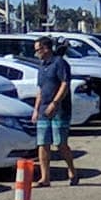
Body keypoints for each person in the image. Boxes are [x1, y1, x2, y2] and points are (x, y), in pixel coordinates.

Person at [30, 35, 77, 184]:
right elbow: (40, 89)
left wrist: (55, 103)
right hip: (43, 110)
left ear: (46, 49)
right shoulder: (42, 66)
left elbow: (65, 84)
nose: (36, 53)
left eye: (38, 50)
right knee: (43, 143)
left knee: (60, 143)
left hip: (59, 110)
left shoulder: (60, 63)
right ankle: (45, 178)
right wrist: (36, 109)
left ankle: (72, 170)